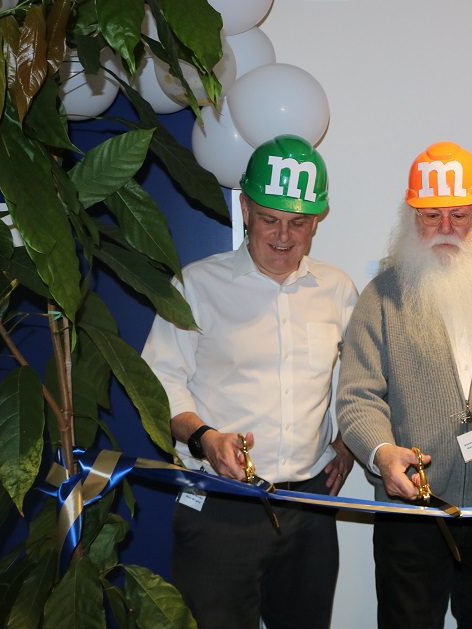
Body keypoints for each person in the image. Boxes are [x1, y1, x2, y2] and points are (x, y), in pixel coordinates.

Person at [336, 141, 472, 629]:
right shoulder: (382, 296)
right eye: (431, 215)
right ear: (411, 216)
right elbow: (356, 397)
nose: (446, 229)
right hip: (409, 512)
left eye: (459, 215)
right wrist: (380, 453)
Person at [141, 134, 358, 628]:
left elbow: (361, 380)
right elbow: (158, 380)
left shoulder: (338, 291)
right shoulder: (196, 285)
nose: (283, 236)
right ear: (244, 208)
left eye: (298, 223)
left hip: (308, 507)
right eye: (269, 220)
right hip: (219, 509)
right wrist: (205, 438)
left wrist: (348, 440)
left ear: (317, 221)